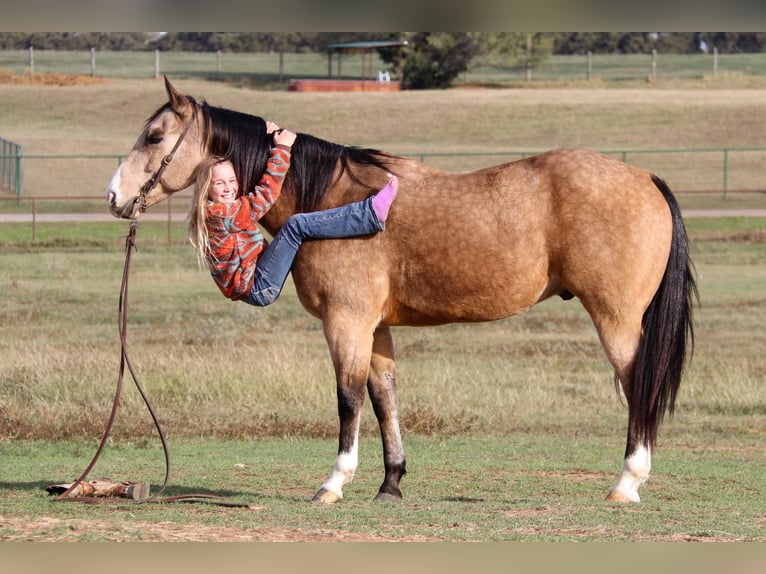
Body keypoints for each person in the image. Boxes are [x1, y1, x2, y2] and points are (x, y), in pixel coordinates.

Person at [188, 121, 398, 307]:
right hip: (258, 286)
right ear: (207, 188)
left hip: (253, 282)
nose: (228, 188)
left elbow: (246, 187)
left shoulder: (214, 210)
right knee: (295, 225)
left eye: (232, 181)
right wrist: (281, 148)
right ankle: (369, 214)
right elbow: (265, 195)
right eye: (220, 183)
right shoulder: (222, 215)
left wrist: (265, 137)